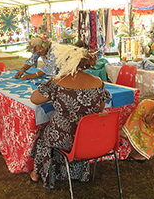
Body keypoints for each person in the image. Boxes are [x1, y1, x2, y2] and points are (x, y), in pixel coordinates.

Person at [29, 43, 112, 189]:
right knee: (51, 132)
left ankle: (37, 173)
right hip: (89, 138)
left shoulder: (58, 82)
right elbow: (100, 108)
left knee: (45, 133)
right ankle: (78, 172)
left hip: (63, 138)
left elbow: (34, 99)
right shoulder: (98, 82)